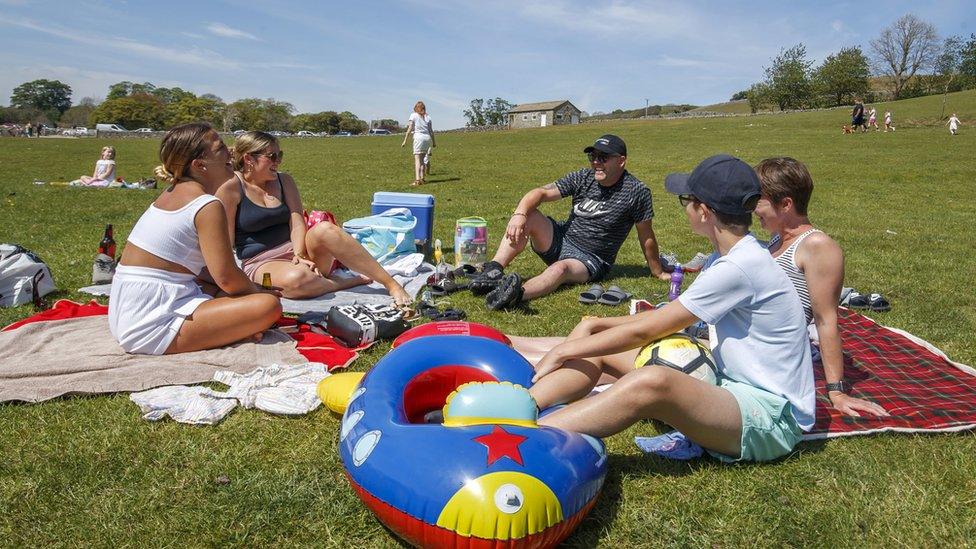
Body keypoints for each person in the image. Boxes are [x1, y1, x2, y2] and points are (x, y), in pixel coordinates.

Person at [527, 154, 815, 463]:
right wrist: (593, 327)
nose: (685, 207)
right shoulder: (731, 255)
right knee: (599, 350)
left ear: (704, 212)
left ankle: (522, 432)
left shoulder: (739, 266)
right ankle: (523, 403)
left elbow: (649, 328)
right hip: (733, 386)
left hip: (772, 419)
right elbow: (669, 316)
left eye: (686, 200)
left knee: (653, 381)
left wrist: (563, 350)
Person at [108, 123, 282, 355]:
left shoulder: (172, 193)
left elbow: (208, 273)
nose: (230, 151)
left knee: (225, 292)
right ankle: (234, 329)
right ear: (200, 165)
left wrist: (244, 290)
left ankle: (231, 326)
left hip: (130, 307)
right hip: (150, 322)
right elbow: (227, 277)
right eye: (220, 148)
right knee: (268, 306)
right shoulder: (207, 205)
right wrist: (258, 292)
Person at [472, 134, 670, 310]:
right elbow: (540, 193)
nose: (596, 163)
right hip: (562, 239)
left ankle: (516, 294)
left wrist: (658, 272)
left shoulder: (636, 192)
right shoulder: (583, 177)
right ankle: (493, 270)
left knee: (560, 269)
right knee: (530, 214)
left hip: (590, 259)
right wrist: (519, 214)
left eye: (603, 158)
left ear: (621, 161)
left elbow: (646, 235)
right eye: (593, 157)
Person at [754, 157, 888, 418]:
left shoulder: (816, 246)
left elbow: (826, 319)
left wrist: (836, 391)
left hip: (775, 348)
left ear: (785, 204)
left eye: (757, 200)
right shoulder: (776, 239)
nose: (752, 209)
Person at [216, 131, 411, 306]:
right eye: (272, 156)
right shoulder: (231, 188)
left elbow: (297, 219)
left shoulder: (284, 181)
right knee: (296, 280)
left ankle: (390, 284)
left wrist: (299, 255)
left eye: (280, 155)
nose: (278, 161)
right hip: (261, 262)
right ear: (249, 158)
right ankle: (340, 283)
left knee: (325, 229)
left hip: (298, 252)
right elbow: (225, 240)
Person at [400, 101, 435, 186]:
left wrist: (405, 140)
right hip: (427, 139)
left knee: (417, 160)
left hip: (418, 138)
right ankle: (422, 179)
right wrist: (434, 142)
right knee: (422, 160)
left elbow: (410, 128)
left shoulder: (413, 115)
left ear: (416, 108)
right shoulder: (428, 117)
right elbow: (431, 131)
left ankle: (417, 180)